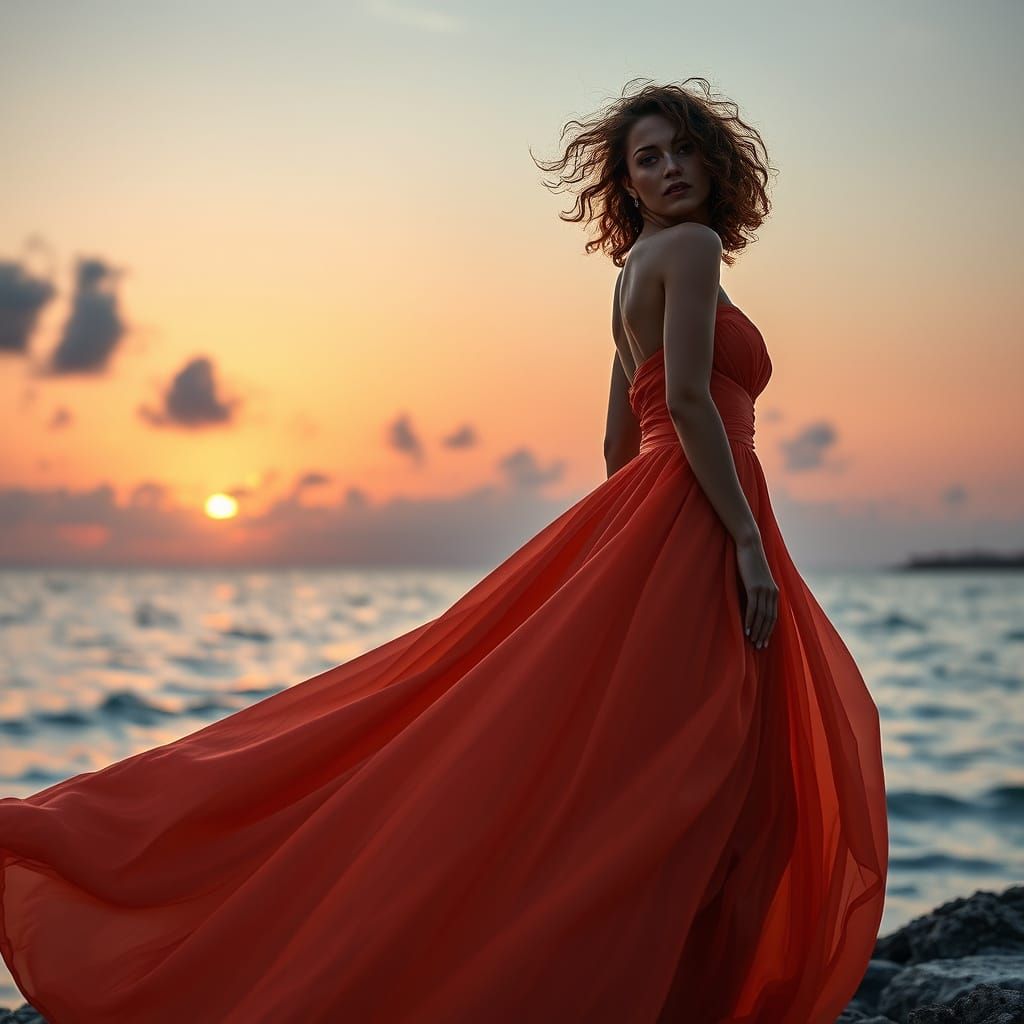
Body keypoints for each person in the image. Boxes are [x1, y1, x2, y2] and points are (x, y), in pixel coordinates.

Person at [0, 77, 888, 1023]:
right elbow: (687, 406)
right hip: (704, 517)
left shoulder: (631, 277)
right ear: (625, 184)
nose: (669, 170)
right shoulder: (696, 250)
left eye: (681, 151)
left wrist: (617, 554)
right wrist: (741, 542)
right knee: (697, 770)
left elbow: (617, 444)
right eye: (648, 159)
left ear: (712, 159)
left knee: (639, 762)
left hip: (658, 516)